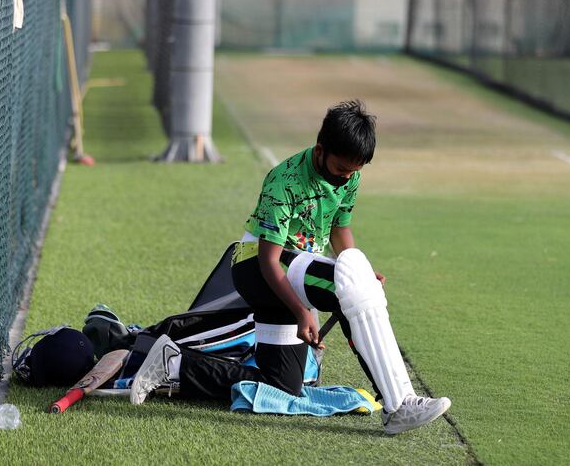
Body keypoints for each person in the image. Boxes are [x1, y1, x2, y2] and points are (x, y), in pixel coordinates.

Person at [131, 100, 450, 435]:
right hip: (256, 268)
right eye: (341, 169)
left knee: (281, 386)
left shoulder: (350, 176)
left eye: (354, 171)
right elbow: (269, 260)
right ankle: (400, 403)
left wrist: (358, 271)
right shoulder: (283, 181)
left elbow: (340, 230)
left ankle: (174, 364)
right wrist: (301, 311)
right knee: (353, 287)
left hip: (296, 270)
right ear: (320, 151)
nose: (347, 178)